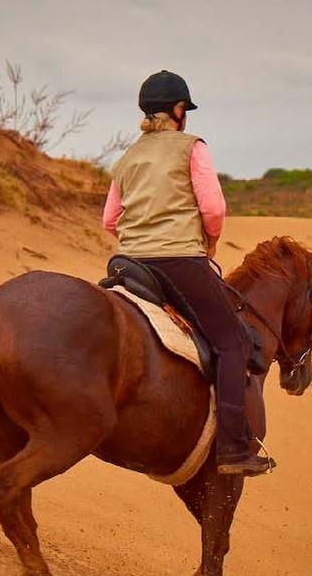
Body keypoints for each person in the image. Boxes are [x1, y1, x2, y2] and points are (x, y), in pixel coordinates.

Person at [102, 70, 270, 477]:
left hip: (128, 263)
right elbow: (213, 208)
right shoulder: (192, 148)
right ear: (179, 111)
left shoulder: (127, 157)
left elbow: (110, 220)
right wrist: (210, 241)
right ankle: (233, 448)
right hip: (178, 260)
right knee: (231, 341)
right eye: (184, 110)